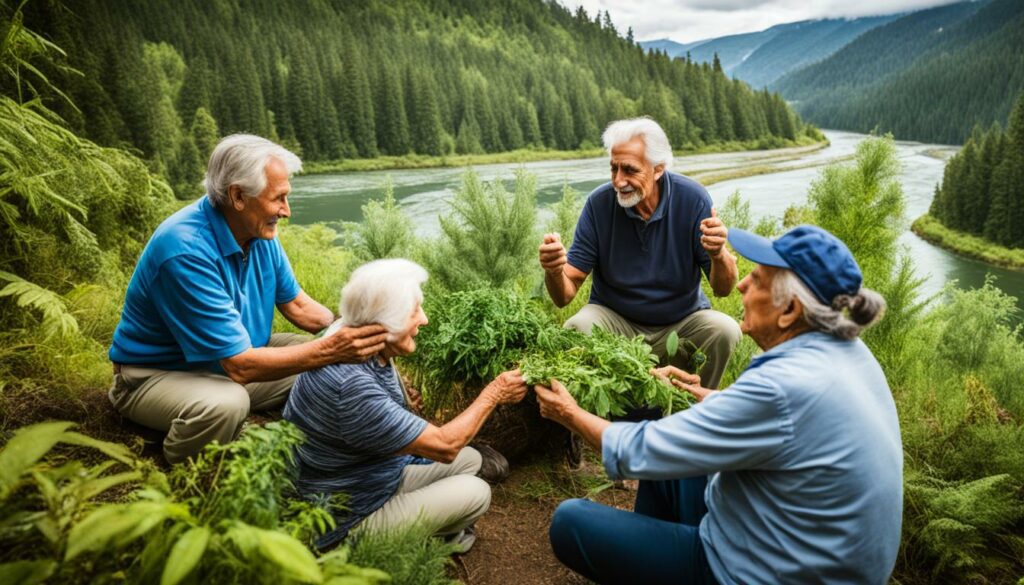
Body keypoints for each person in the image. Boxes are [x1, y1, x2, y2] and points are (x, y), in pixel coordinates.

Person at [535, 225, 904, 584]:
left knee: (570, 521)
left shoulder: (781, 386)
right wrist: (707, 398)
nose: (742, 284)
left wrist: (568, 412)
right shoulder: (847, 351)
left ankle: (670, 561)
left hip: (758, 572)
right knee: (679, 445)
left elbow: (638, 450)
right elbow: (793, 423)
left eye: (757, 280)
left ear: (790, 310)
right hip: (819, 558)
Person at [108, 135, 388, 464]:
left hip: (232, 363)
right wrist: (331, 347)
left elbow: (298, 306)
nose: (286, 211)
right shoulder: (184, 249)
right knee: (228, 402)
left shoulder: (258, 230)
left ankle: (350, 444)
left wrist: (360, 331)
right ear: (238, 196)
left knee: (340, 366)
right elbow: (239, 366)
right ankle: (184, 470)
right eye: (279, 199)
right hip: (155, 377)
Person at [283, 259, 528, 551]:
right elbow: (444, 446)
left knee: (472, 460)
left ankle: (432, 526)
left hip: (368, 476)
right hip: (346, 517)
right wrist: (495, 392)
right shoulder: (351, 386)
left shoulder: (348, 334)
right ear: (385, 323)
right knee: (477, 492)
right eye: (414, 310)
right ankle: (397, 548)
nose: (424, 319)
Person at [539, 117, 740, 392]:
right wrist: (553, 270)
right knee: (578, 326)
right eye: (614, 168)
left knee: (724, 330)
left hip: (681, 322)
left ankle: (695, 411)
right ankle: (598, 415)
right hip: (616, 320)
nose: (618, 181)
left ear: (658, 169)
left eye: (629, 170)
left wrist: (718, 254)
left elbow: (723, 289)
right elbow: (564, 295)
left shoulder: (693, 199)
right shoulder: (599, 204)